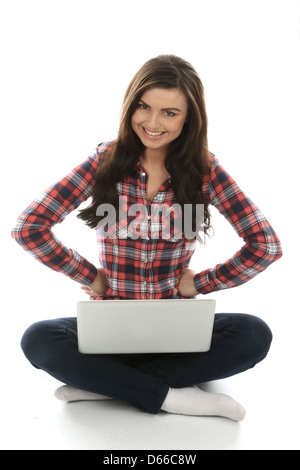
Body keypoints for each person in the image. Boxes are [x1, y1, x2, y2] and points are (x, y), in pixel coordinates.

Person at [11, 55, 282, 421]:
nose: (153, 123)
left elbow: (265, 245)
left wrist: (199, 283)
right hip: (111, 328)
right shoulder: (105, 161)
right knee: (38, 338)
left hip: (175, 332)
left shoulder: (205, 170)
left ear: (189, 118)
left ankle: (105, 386)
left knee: (253, 333)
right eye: (144, 107)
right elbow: (29, 227)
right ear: (130, 105)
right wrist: (90, 276)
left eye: (170, 113)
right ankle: (172, 395)